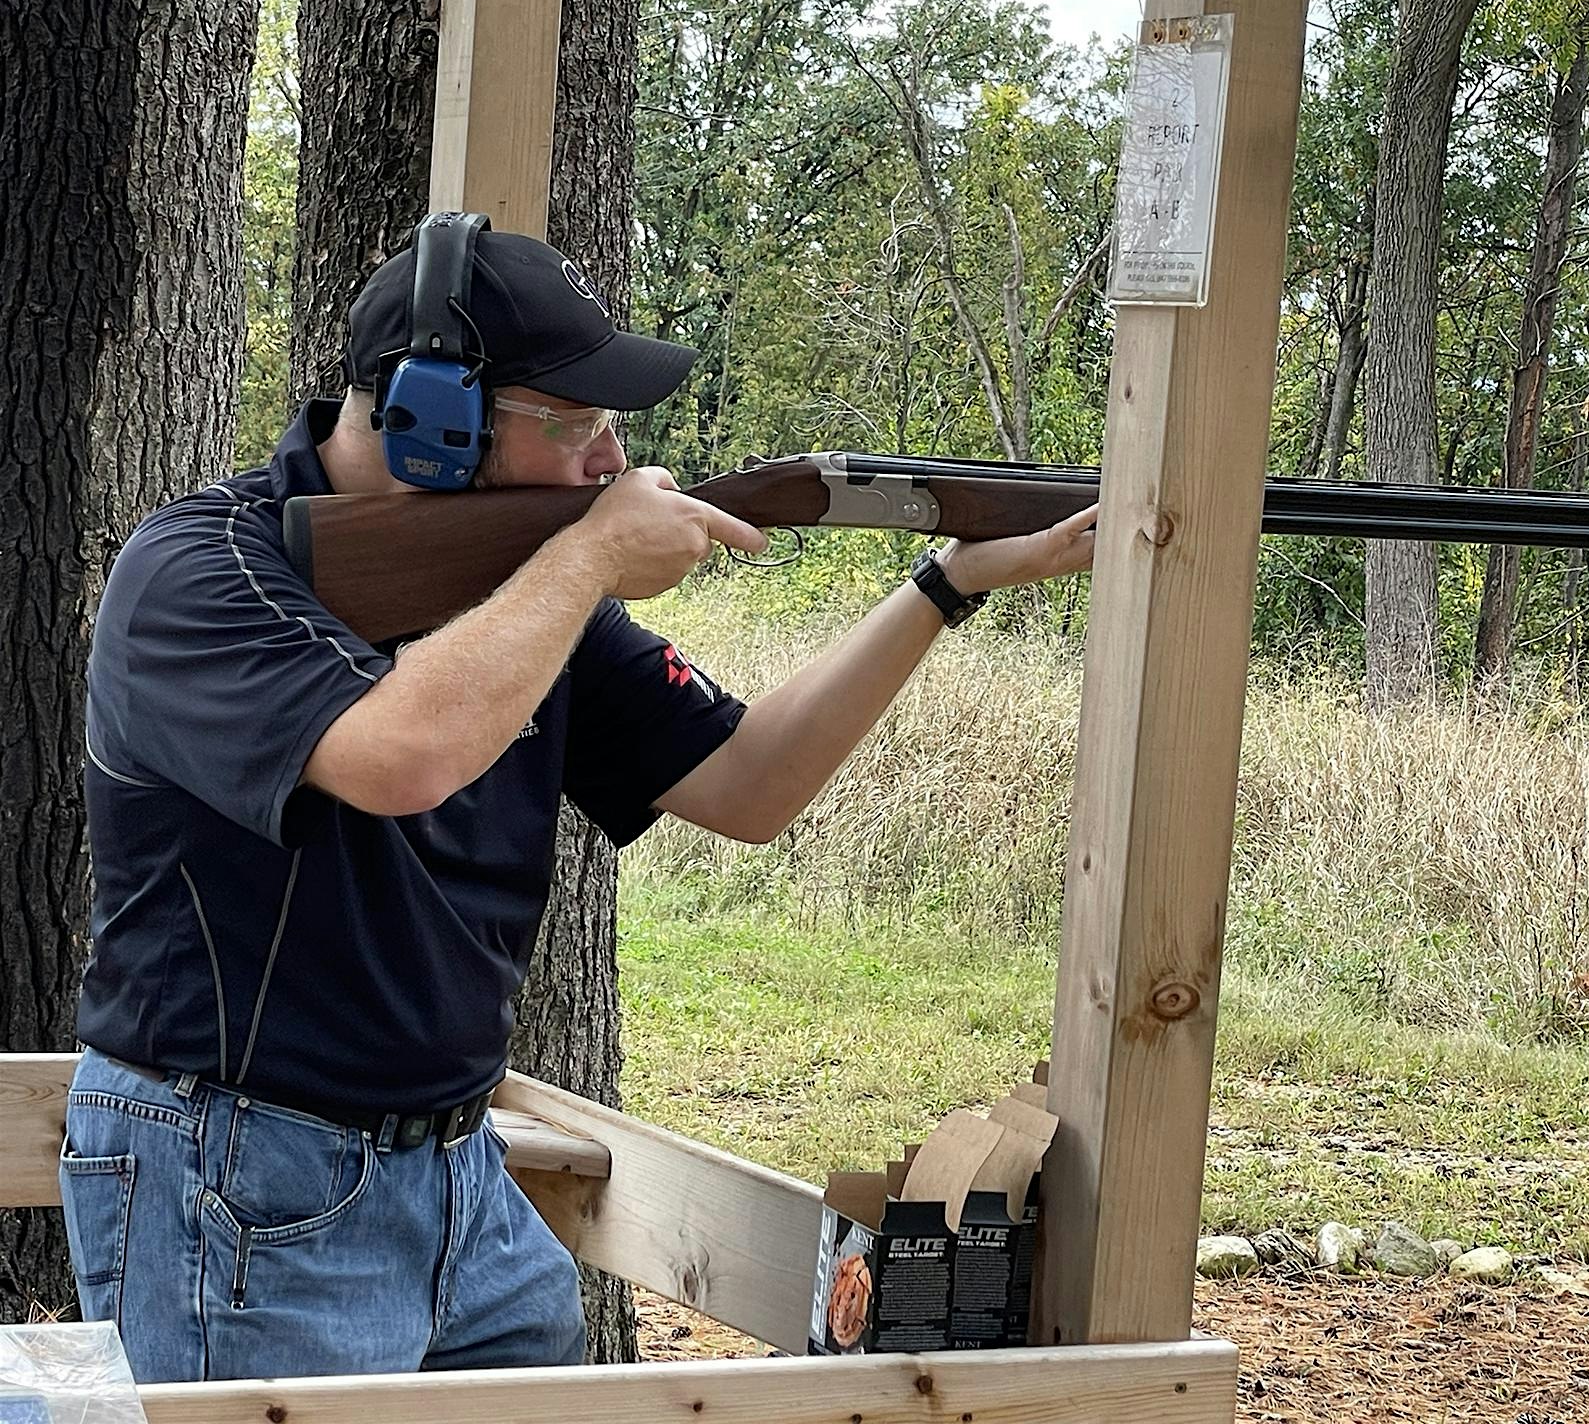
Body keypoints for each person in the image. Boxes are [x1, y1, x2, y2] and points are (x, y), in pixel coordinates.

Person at [61, 226, 1096, 1383]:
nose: (612, 462)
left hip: (457, 1168)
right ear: (430, 419)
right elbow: (401, 755)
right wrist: (586, 565)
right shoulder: (202, 571)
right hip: (241, 1165)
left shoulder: (532, 589)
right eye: (576, 424)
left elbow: (751, 784)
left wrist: (945, 584)